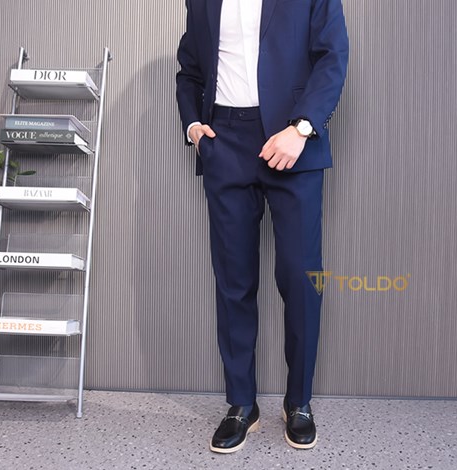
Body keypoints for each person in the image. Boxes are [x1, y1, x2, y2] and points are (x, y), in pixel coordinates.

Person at [176, 0, 348, 453]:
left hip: (292, 140)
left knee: (300, 277)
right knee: (233, 280)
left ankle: (299, 402)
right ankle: (241, 404)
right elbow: (189, 69)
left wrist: (302, 128)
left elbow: (332, 56)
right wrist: (194, 126)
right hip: (225, 141)